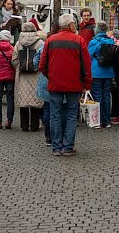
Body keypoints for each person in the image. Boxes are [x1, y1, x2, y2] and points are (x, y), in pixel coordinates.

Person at [39, 13, 92, 156]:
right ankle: (68, 147)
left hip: (55, 84)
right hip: (74, 84)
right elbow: (86, 66)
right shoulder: (79, 40)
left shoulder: (50, 41)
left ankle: (56, 147)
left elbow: (42, 65)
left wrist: (51, 77)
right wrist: (86, 83)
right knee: (71, 114)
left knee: (55, 114)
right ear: (70, 25)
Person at [12, 23, 45, 132]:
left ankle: (24, 125)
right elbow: (43, 58)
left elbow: (14, 59)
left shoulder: (18, 43)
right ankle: (35, 125)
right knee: (35, 100)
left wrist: (19, 66)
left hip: (22, 76)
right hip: (36, 75)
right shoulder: (40, 43)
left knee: (24, 100)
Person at [87, 22, 115, 126]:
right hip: (108, 72)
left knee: (97, 95)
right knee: (107, 96)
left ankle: (97, 120)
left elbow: (88, 56)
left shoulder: (94, 42)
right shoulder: (111, 41)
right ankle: (107, 120)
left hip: (96, 72)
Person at [33, 44, 52, 145]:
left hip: (45, 80)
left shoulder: (44, 46)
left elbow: (35, 63)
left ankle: (49, 138)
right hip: (62, 80)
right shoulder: (72, 42)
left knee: (47, 108)